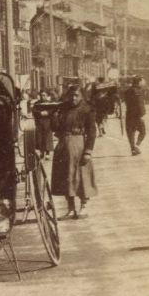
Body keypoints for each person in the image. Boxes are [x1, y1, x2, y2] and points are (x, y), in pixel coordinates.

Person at [51, 84, 99, 219]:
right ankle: (71, 208)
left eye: (76, 95)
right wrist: (54, 116)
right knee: (66, 177)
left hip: (79, 145)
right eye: (71, 95)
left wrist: (88, 151)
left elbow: (92, 132)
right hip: (64, 145)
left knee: (82, 176)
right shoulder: (64, 109)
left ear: (82, 96)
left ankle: (83, 206)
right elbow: (55, 128)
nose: (73, 98)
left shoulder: (87, 110)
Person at [123, 77, 148, 155]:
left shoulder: (127, 91)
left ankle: (133, 149)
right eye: (141, 82)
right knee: (143, 132)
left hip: (129, 114)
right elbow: (140, 104)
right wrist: (142, 114)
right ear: (139, 82)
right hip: (137, 115)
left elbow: (125, 101)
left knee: (131, 132)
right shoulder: (139, 91)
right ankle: (137, 145)